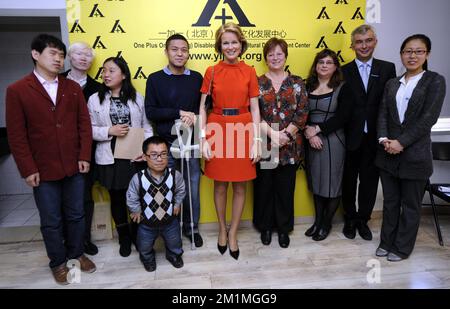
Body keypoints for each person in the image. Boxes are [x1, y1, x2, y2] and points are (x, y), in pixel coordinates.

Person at [5, 34, 96, 285]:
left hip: (74, 165)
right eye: (52, 53)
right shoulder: (18, 90)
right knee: (51, 220)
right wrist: (27, 168)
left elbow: (84, 126)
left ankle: (76, 256)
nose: (58, 59)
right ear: (36, 54)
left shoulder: (72, 88)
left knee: (77, 214)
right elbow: (16, 135)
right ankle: (57, 262)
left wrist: (84, 156)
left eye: (61, 55)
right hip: (42, 170)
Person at [375, 34, 446, 261]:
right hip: (387, 154)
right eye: (408, 51)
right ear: (401, 54)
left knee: (411, 205)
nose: (412, 56)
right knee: (391, 202)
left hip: (415, 155)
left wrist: (401, 142)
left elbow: (428, 119)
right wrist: (384, 139)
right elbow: (383, 114)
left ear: (427, 54)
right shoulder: (392, 83)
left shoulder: (434, 81)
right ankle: (386, 242)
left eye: (418, 51)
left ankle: (402, 248)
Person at [199, 22, 261, 260]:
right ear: (220, 45)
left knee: (240, 186)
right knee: (220, 185)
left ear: (241, 44)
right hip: (217, 127)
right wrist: (203, 138)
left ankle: (233, 232)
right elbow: (202, 108)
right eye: (226, 42)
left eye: (234, 42)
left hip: (244, 128)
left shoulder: (250, 71)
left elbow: (255, 109)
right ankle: (221, 231)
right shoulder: (211, 71)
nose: (231, 46)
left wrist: (256, 140)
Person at [87, 56, 153, 257]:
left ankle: (137, 234)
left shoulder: (137, 98)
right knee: (116, 197)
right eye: (104, 71)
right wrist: (109, 130)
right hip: (109, 155)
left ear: (123, 75)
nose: (106, 74)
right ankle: (124, 237)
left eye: (111, 70)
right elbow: (89, 129)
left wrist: (146, 149)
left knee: (136, 196)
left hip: (134, 154)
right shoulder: (94, 99)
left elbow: (147, 126)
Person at [145, 34, 204, 247]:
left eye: (184, 50)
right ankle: (168, 232)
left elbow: (204, 107)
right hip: (164, 144)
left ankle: (191, 228)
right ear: (166, 51)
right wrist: (179, 112)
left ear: (188, 53)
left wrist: (194, 116)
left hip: (190, 142)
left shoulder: (197, 78)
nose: (180, 53)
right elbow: (151, 112)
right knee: (164, 188)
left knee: (192, 188)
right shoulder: (154, 78)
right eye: (175, 49)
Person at [341, 24, 396, 240]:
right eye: (359, 42)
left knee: (370, 181)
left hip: (376, 137)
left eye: (368, 41)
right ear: (352, 45)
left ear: (375, 42)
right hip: (349, 137)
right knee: (348, 180)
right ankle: (350, 218)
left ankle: (363, 219)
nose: (364, 45)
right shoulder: (343, 71)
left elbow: (390, 104)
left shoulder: (387, 68)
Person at [253, 38, 308, 248]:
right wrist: (273, 135)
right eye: (270, 54)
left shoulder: (297, 82)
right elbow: (253, 114)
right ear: (265, 58)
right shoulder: (257, 83)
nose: (275, 58)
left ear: (285, 56)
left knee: (286, 189)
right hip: (265, 145)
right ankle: (265, 227)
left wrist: (287, 134)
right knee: (264, 188)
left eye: (279, 54)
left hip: (290, 146)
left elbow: (303, 112)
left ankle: (284, 229)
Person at [304, 49, 355, 241]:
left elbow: (343, 117)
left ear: (335, 67)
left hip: (334, 140)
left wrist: (318, 130)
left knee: (332, 184)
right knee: (317, 182)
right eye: (320, 62)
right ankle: (317, 222)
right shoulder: (308, 85)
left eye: (328, 63)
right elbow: (302, 113)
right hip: (312, 139)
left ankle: (326, 223)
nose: (324, 65)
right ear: (315, 65)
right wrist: (309, 133)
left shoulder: (343, 87)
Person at [63, 41, 102, 255]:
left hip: (88, 150)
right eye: (79, 54)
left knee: (85, 197)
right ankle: (66, 241)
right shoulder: (56, 82)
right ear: (70, 56)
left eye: (88, 55)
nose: (84, 58)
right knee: (62, 197)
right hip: (61, 149)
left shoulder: (97, 88)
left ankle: (84, 239)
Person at [126, 136, 186, 271]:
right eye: (154, 155)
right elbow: (131, 196)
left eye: (163, 154)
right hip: (146, 224)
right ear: (145, 157)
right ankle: (147, 257)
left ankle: (174, 255)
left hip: (170, 222)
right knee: (144, 245)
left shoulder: (175, 175)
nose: (159, 159)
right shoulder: (138, 178)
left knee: (175, 242)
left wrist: (177, 203)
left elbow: (181, 190)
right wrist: (135, 209)